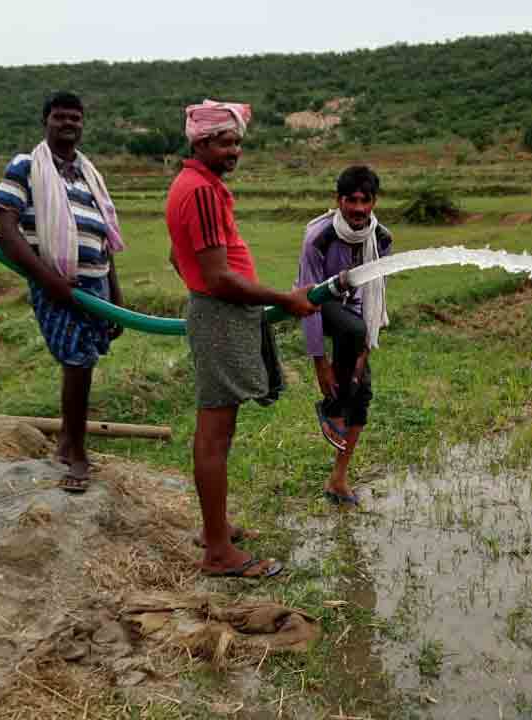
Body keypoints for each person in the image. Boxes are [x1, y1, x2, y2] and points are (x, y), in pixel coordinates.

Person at [166, 99, 317, 578]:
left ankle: (217, 529)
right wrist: (285, 299)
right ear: (202, 142)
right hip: (221, 316)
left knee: (217, 434)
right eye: (226, 142)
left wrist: (206, 289)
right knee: (215, 435)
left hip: (218, 315)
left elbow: (177, 255)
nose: (234, 150)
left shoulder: (191, 185)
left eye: (237, 142)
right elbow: (218, 278)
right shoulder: (203, 192)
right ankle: (217, 553)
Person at [0, 91, 125, 494]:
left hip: (96, 282)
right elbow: (6, 229)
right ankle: (78, 454)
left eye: (76, 118)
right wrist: (47, 278)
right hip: (57, 283)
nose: (69, 123)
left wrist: (117, 298)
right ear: (45, 121)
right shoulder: (27, 166)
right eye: (60, 117)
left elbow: (102, 237)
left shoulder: (88, 172)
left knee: (84, 362)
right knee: (78, 361)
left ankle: (67, 440)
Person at [297, 166, 392, 507]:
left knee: (361, 394)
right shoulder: (318, 238)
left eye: (365, 201)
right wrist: (320, 361)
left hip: (359, 319)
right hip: (323, 309)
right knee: (351, 329)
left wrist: (363, 353)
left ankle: (338, 479)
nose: (358, 208)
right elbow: (307, 297)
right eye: (350, 200)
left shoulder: (381, 238)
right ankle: (331, 407)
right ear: (338, 201)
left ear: (373, 202)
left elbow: (376, 294)